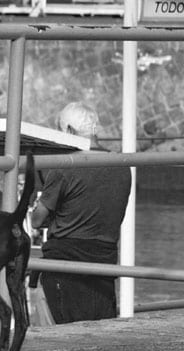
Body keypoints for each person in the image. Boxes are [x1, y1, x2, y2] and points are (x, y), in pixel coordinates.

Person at [29, 102, 132, 324]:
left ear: (68, 131)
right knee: (98, 336)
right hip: (104, 264)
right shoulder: (122, 166)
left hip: (63, 266)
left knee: (55, 336)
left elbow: (36, 220)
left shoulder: (66, 165)